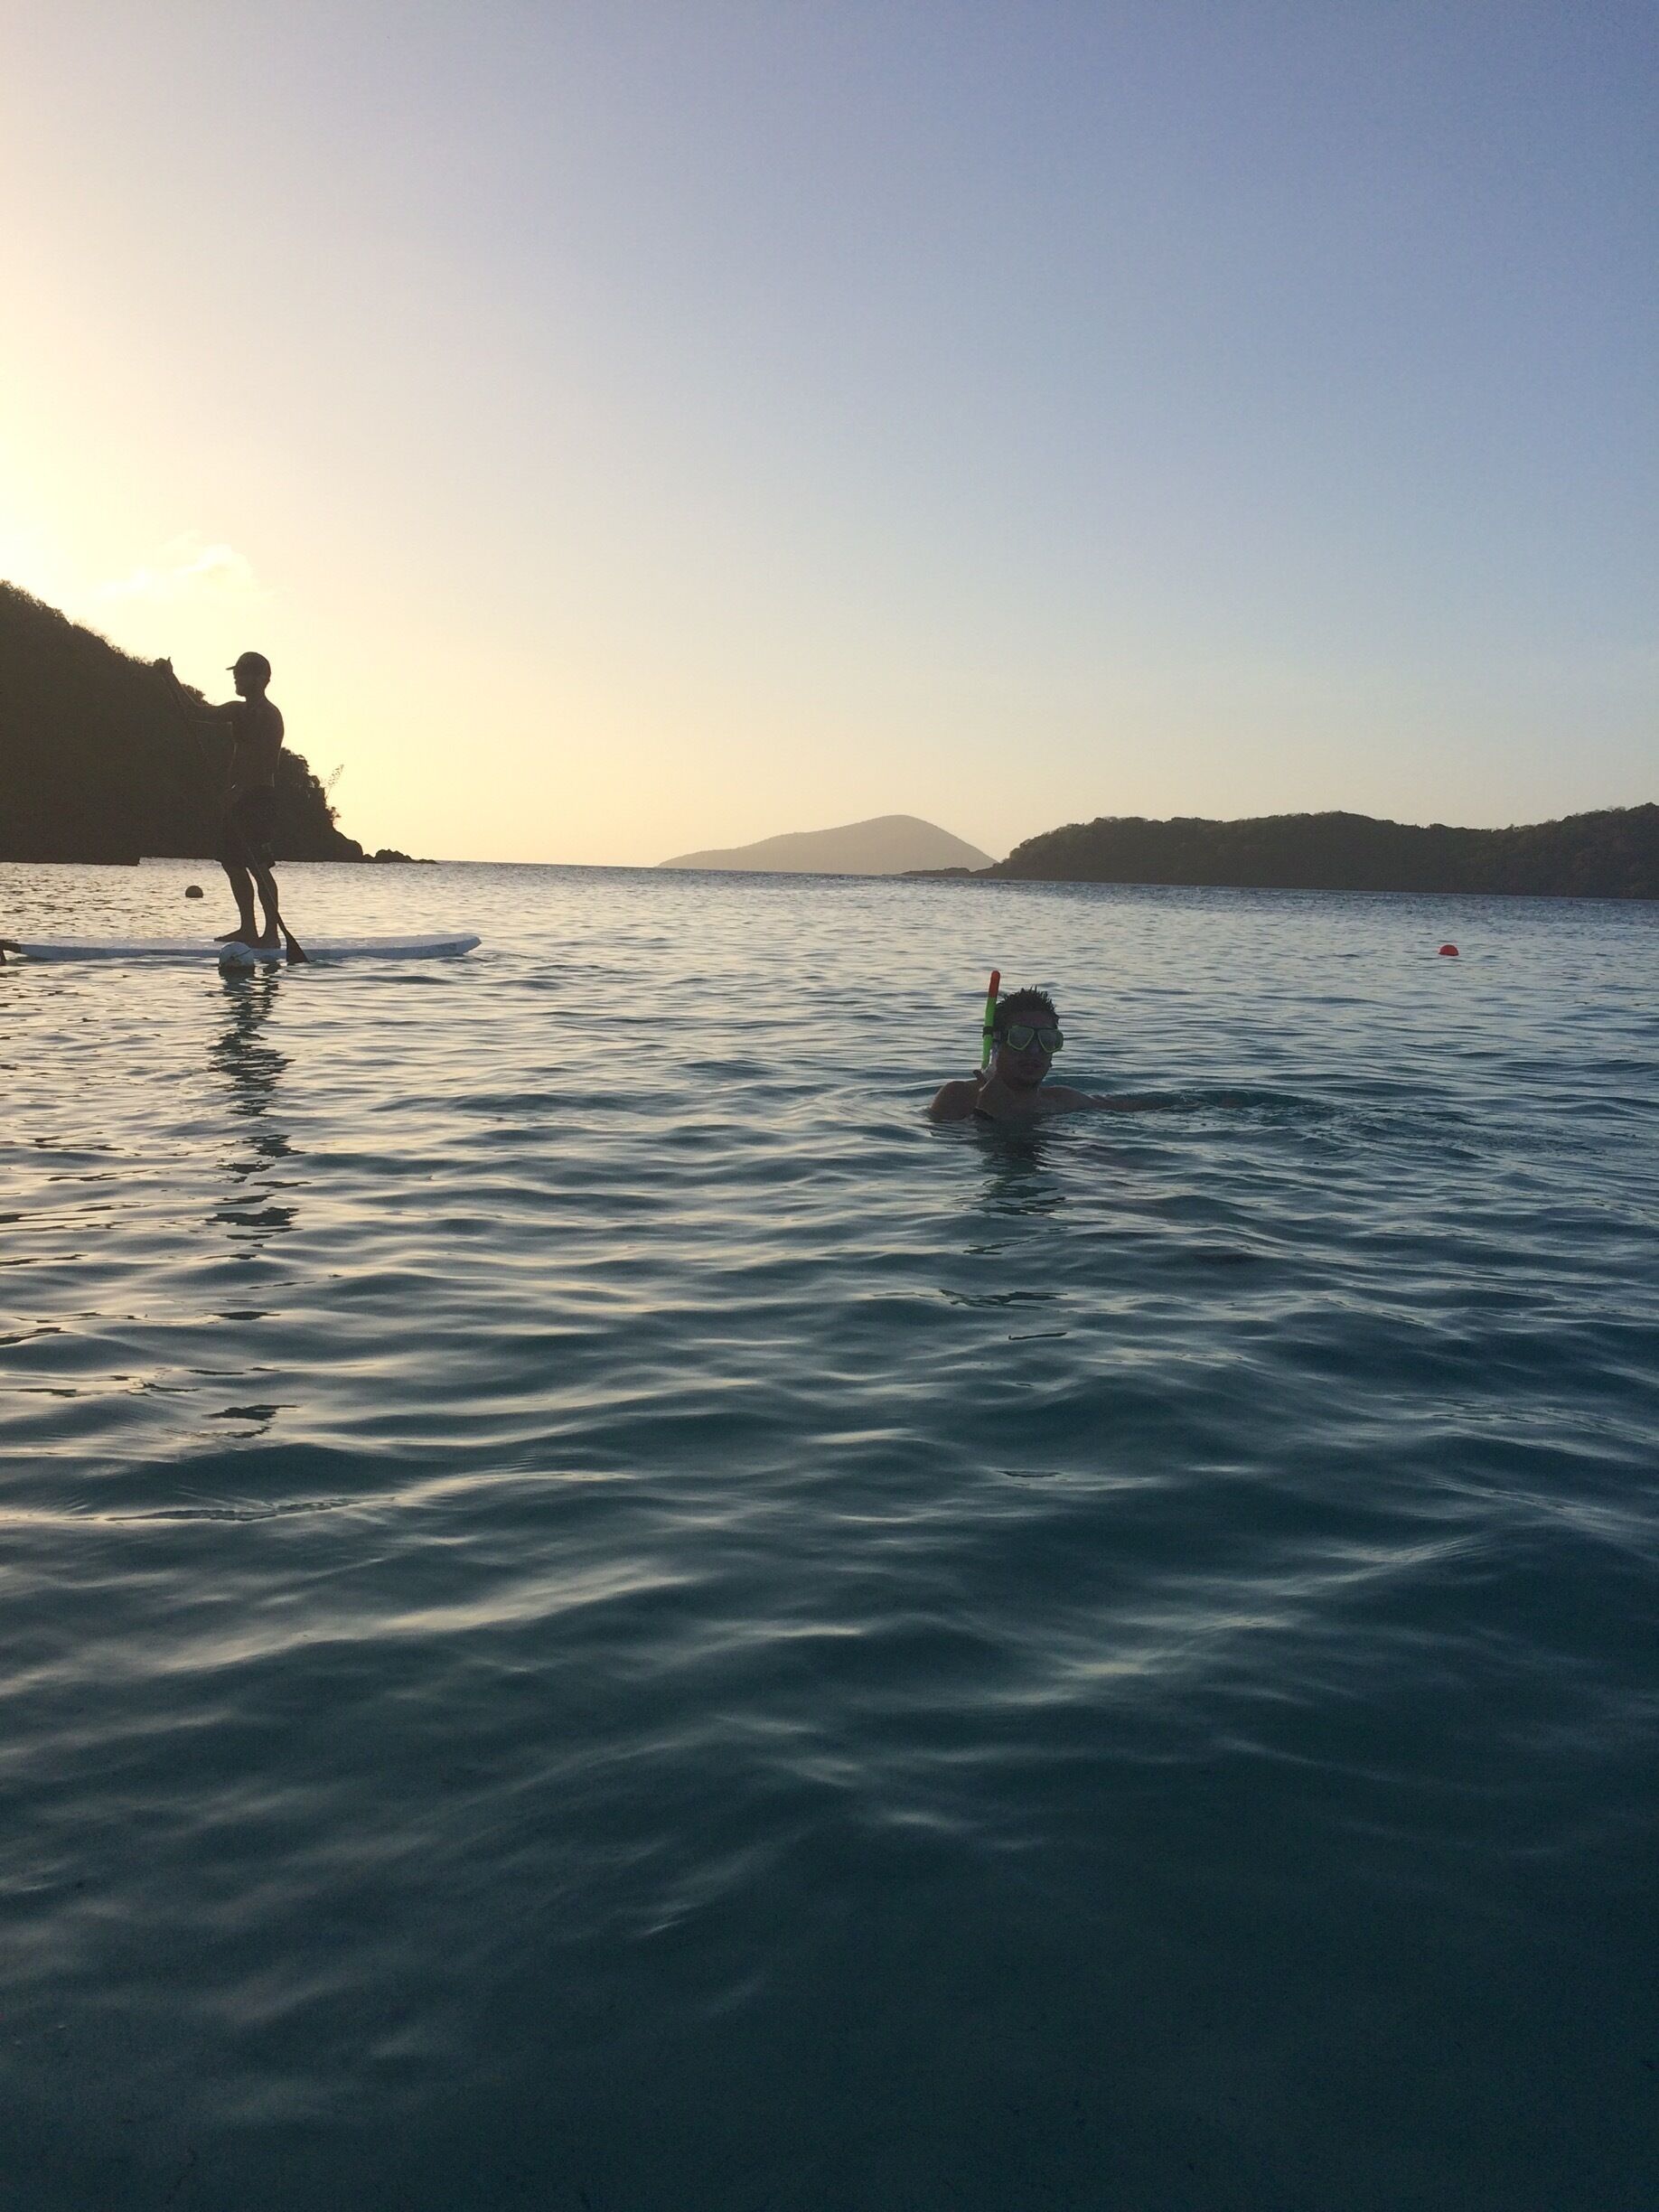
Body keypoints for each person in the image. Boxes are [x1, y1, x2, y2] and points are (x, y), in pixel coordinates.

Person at [160, 651, 286, 947]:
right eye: (236, 673)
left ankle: (270, 935)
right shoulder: (237, 711)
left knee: (258, 865)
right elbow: (195, 713)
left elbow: (268, 763)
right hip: (237, 799)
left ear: (261, 678)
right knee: (231, 862)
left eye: (242, 674)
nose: (236, 678)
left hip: (258, 797)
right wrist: (169, 677)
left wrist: (239, 791)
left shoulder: (269, 715)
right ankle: (248, 929)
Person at [927, 987, 1165, 1121]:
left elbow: (1126, 1107)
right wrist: (984, 1116)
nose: (1034, 1050)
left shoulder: (1063, 1101)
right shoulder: (958, 1096)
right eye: (1021, 1038)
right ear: (996, 1043)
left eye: (1047, 1041)